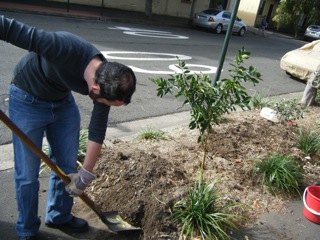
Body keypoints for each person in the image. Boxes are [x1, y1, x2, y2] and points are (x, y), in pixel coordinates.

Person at [0, 15, 137, 240]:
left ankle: (59, 216)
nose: (103, 106)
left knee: (66, 165)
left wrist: (85, 175)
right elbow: (7, 28)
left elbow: (97, 129)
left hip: (61, 102)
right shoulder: (61, 47)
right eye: (104, 102)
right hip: (27, 99)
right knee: (27, 174)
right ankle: (27, 229)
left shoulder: (107, 79)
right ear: (95, 87)